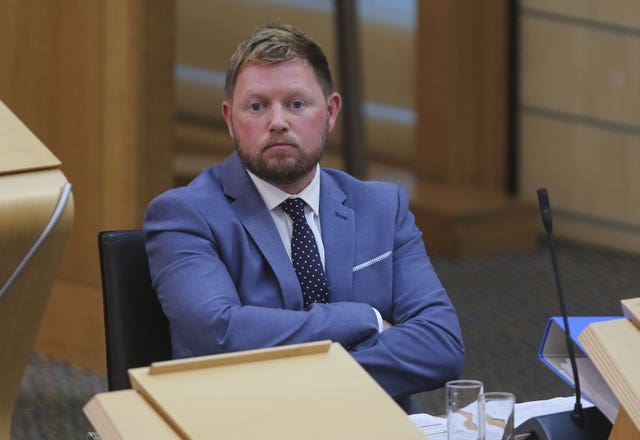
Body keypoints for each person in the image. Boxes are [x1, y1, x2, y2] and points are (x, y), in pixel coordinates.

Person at [144, 23, 464, 408]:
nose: (277, 121)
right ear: (230, 119)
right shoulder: (184, 215)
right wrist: (364, 318)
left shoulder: (382, 208)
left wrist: (303, 380)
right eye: (257, 106)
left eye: (296, 104)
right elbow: (222, 335)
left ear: (330, 113)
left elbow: (440, 344)